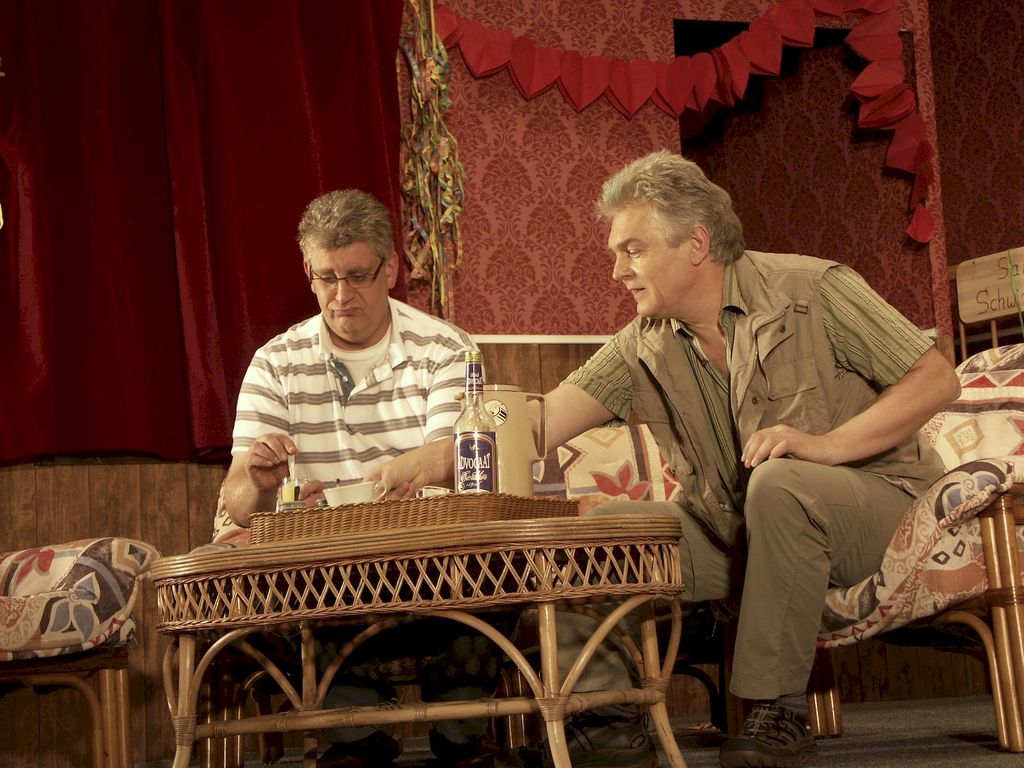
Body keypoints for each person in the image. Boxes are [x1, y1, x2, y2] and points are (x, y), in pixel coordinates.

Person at [384, 150, 961, 768]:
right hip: (734, 529)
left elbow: (935, 380)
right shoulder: (643, 343)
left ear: (696, 243)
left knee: (782, 483)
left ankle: (777, 712)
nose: (617, 271)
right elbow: (541, 421)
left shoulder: (814, 289)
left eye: (633, 250)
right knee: (596, 535)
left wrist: (825, 446)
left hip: (883, 516)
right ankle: (606, 727)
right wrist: (433, 460)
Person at [216, 188, 505, 768]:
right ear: (308, 273)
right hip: (324, 579)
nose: (341, 295)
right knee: (284, 573)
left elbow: (456, 459)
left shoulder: (445, 348)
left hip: (430, 567)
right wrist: (261, 482)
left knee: (491, 555)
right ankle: (354, 738)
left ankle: (463, 735)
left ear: (391, 269)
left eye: (357, 276)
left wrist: (417, 468)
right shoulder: (277, 362)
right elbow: (239, 504)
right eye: (326, 278)